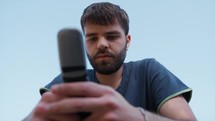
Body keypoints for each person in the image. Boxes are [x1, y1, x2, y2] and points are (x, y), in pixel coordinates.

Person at [23, 2, 197, 121]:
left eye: (111, 36)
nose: (102, 45)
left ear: (128, 41)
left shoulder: (148, 71)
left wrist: (137, 116)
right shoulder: (67, 81)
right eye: (92, 38)